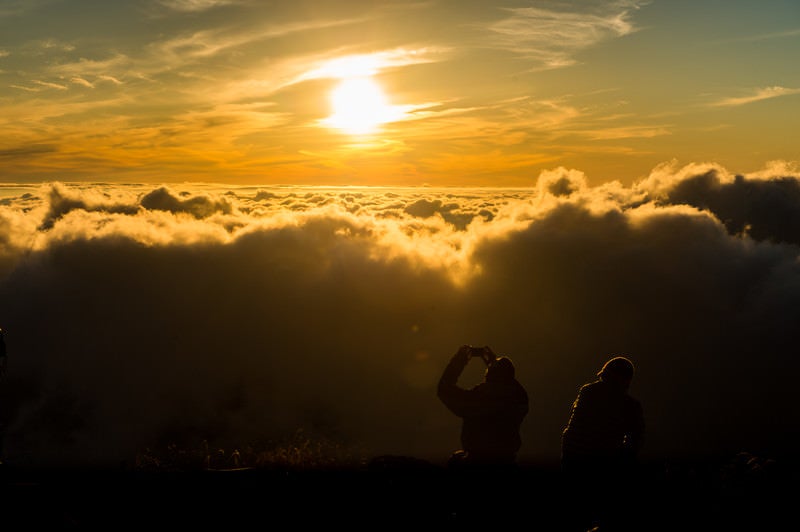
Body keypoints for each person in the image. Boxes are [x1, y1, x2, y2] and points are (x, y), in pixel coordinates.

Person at [561, 356, 645, 530]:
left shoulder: (587, 392)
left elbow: (571, 432)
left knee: (575, 516)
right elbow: (635, 442)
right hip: (603, 467)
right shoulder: (630, 406)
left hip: (574, 463)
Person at [437, 344, 529, 468]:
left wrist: (459, 360)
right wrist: (493, 362)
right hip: (506, 462)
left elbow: (444, 389)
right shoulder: (516, 400)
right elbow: (516, 389)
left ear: (488, 375)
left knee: (455, 460)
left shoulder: (476, 399)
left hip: (476, 463)